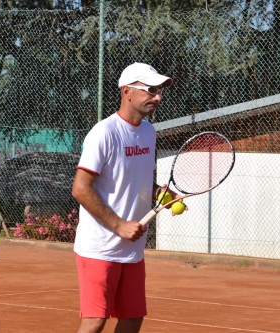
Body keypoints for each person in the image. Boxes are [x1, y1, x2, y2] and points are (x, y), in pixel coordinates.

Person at [71, 62, 179, 333]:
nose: (158, 97)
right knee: (95, 320)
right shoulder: (104, 133)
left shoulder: (148, 132)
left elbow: (138, 179)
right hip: (100, 248)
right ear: (127, 91)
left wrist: (159, 193)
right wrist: (119, 225)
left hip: (132, 250)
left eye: (159, 91)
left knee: (132, 319)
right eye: (151, 90)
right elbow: (81, 188)